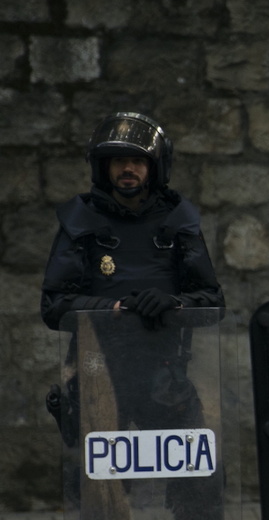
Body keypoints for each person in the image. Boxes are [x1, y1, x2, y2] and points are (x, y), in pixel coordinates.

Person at [41, 112, 225, 520]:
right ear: (103, 168)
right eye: (118, 161)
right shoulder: (81, 221)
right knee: (98, 490)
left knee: (199, 480)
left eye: (138, 161)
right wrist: (113, 309)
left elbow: (212, 300)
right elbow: (54, 305)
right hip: (97, 373)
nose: (128, 169)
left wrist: (174, 305)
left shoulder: (178, 221)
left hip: (164, 372)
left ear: (154, 167)